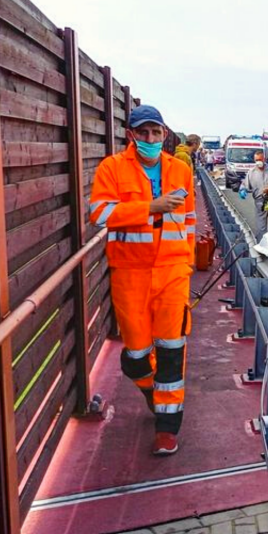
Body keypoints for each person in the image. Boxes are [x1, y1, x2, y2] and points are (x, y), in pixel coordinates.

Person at [88, 104, 196, 456]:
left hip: (172, 272)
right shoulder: (112, 168)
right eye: (143, 132)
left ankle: (168, 427)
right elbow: (99, 214)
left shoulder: (180, 170)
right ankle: (152, 392)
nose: (150, 138)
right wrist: (149, 208)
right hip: (130, 273)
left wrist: (188, 265)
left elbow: (190, 220)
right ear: (131, 135)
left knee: (171, 349)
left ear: (164, 134)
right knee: (135, 355)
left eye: (156, 132)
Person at [239, 148, 268, 239]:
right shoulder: (251, 172)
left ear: (264, 159)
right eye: (256, 160)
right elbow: (245, 184)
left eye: (260, 160)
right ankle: (261, 243)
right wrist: (242, 190)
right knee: (261, 225)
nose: (258, 162)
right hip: (260, 201)